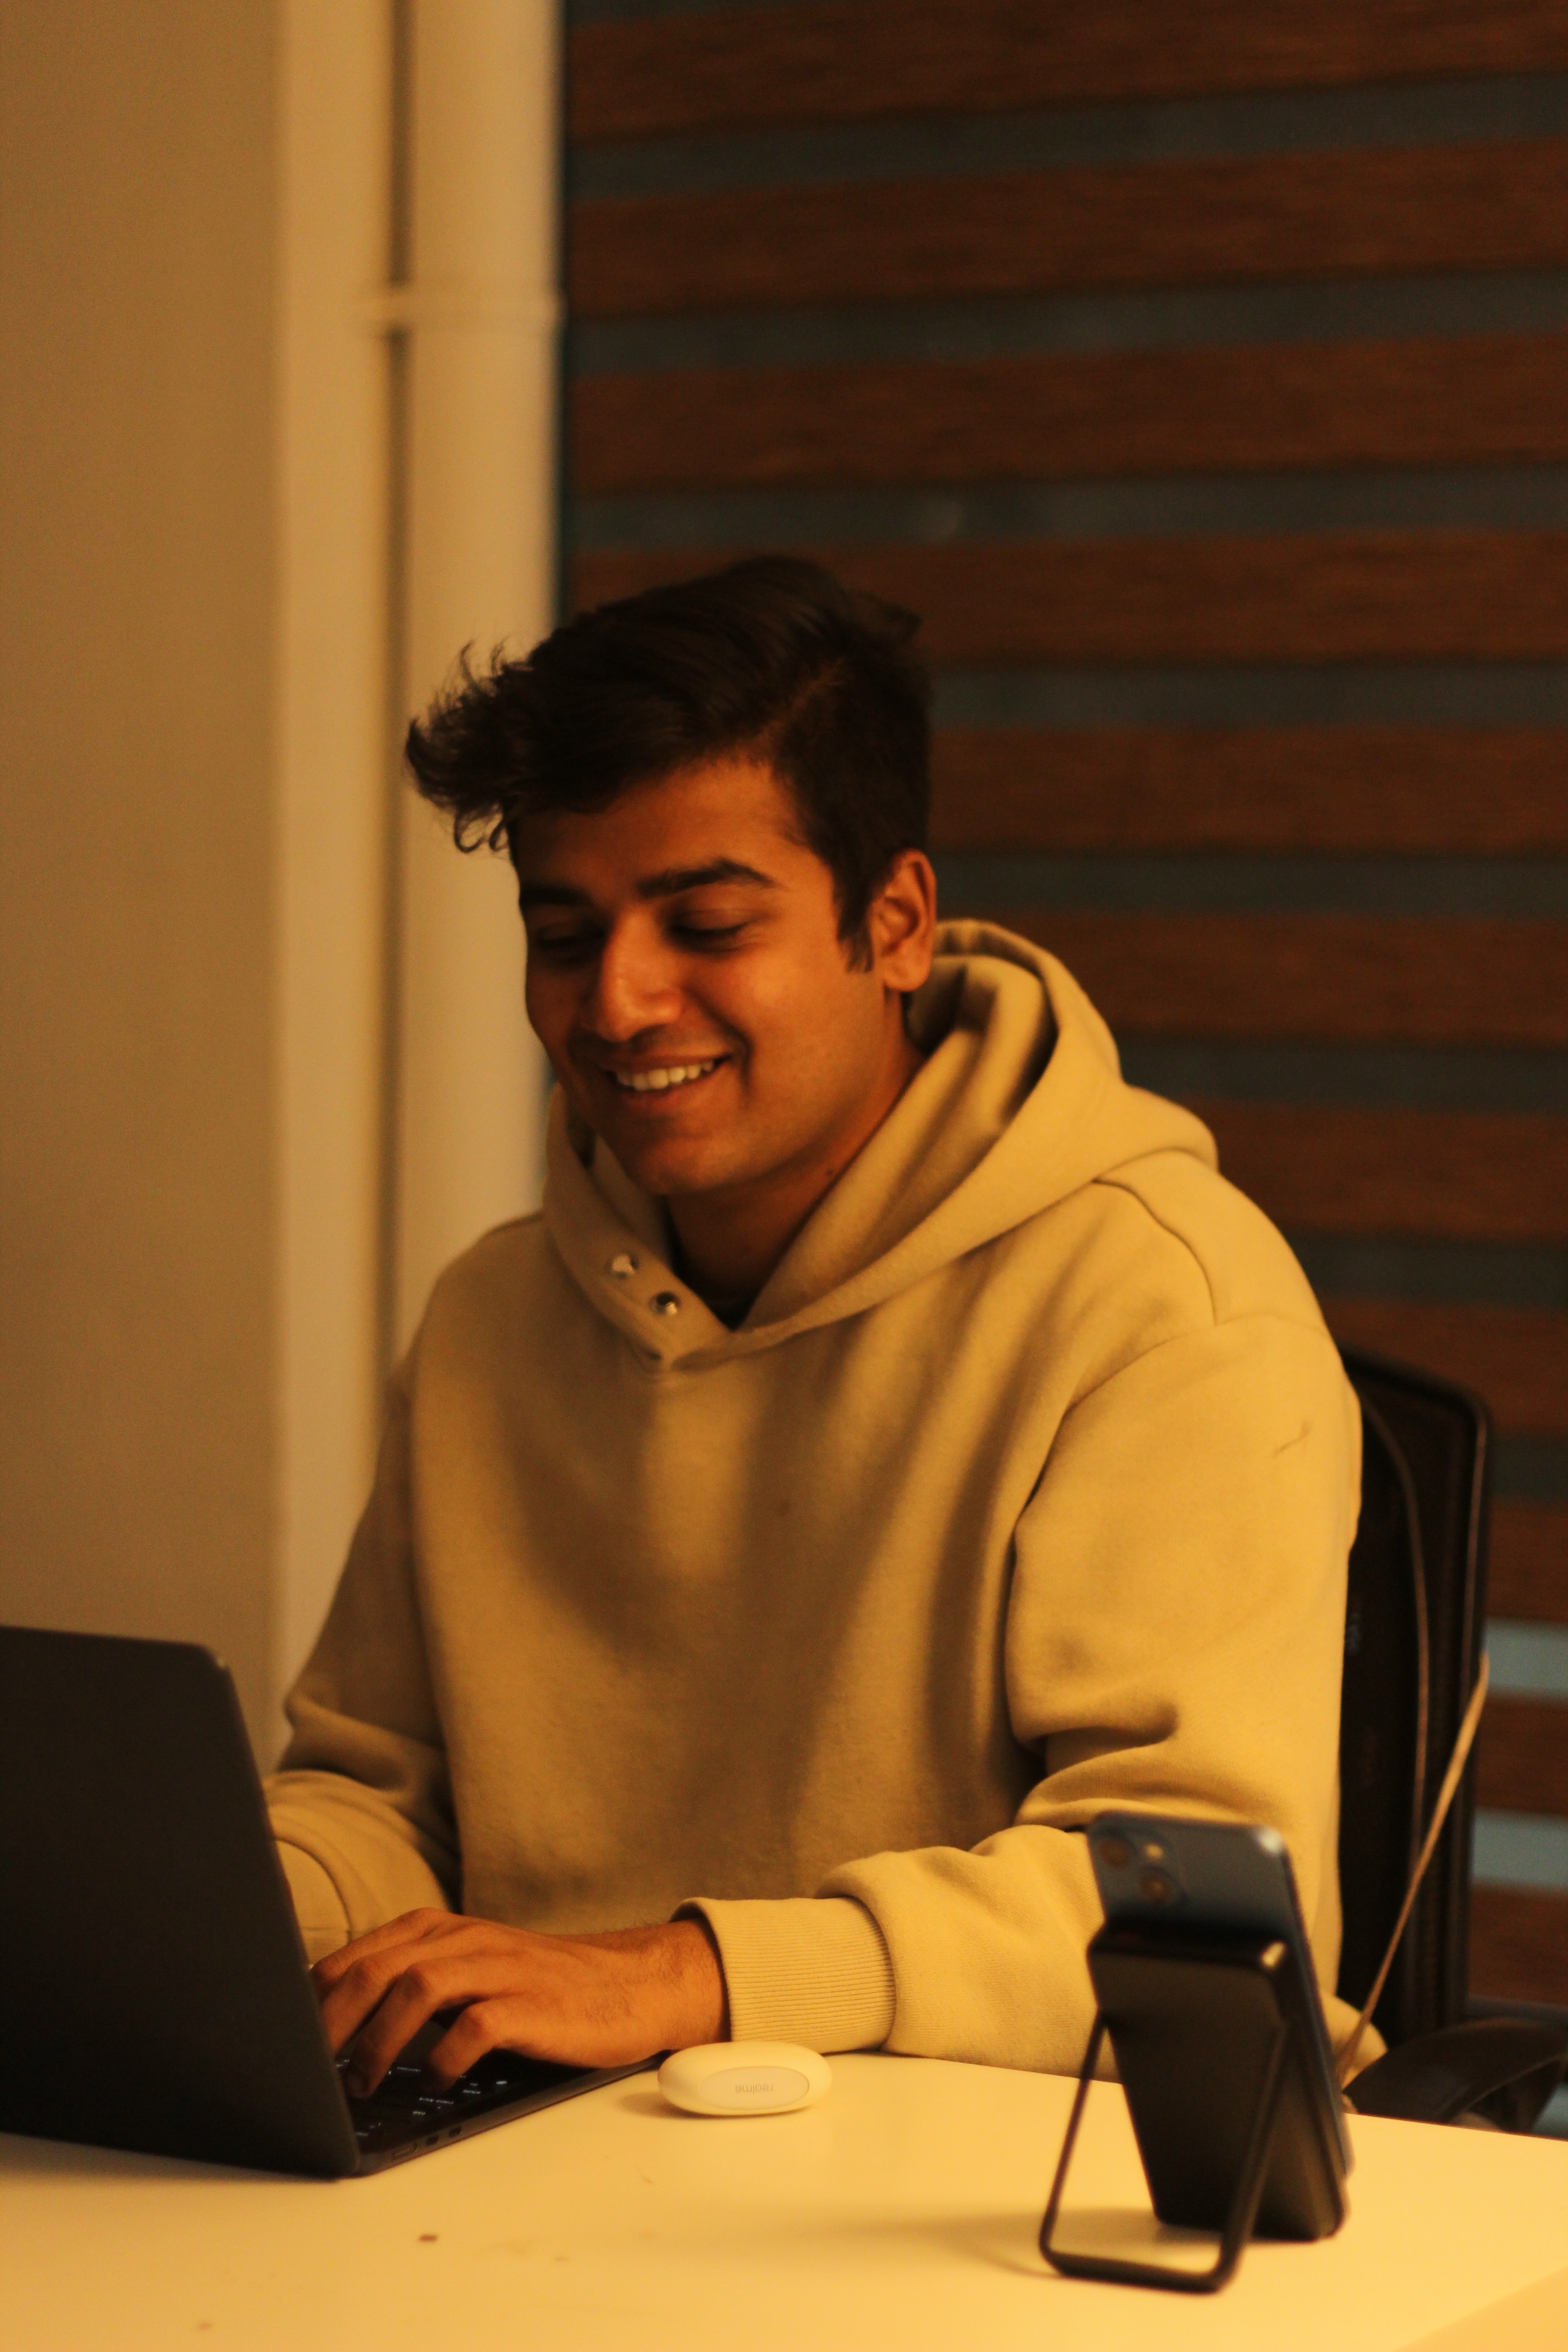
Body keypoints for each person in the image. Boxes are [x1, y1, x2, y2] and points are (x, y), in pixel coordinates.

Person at [266, 557, 1362, 2100]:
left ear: (895, 923)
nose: (618, 1002)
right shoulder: (492, 1317)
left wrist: (683, 1976)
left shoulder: (1162, 1300)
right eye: (564, 935)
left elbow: (1196, 1909)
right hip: (555, 2149)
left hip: (993, 2175)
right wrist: (224, 1910)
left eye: (708, 925)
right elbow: (383, 1798)